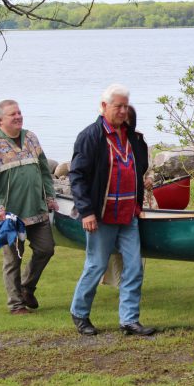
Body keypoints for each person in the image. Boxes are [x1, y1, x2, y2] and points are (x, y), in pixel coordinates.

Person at [68, 84, 155, 336]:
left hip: (128, 215)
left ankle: (129, 320)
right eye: (118, 106)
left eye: (125, 106)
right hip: (101, 215)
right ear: (104, 106)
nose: (122, 111)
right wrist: (86, 212)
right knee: (96, 266)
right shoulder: (91, 136)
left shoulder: (134, 139)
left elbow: (137, 172)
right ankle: (80, 313)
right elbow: (77, 176)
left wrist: (138, 204)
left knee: (134, 267)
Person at [0, 100, 58, 315]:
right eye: (12, 114)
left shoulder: (31, 137)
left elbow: (44, 170)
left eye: (19, 112)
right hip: (10, 216)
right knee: (13, 259)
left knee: (46, 249)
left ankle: (27, 288)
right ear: (0, 120)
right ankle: (16, 305)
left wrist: (50, 196)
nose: (18, 116)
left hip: (37, 209)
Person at [101, 104, 155, 288]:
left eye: (128, 120)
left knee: (136, 247)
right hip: (114, 204)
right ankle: (120, 281)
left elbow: (147, 167)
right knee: (114, 248)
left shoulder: (139, 140)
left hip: (137, 202)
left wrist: (149, 178)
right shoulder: (103, 139)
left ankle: (132, 282)